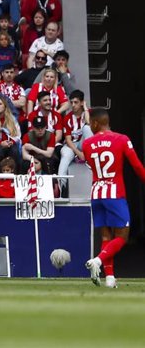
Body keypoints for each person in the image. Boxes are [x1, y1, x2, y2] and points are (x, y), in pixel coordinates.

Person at [84, 109, 145, 288]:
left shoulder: (88, 143)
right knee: (122, 237)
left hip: (96, 193)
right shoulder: (122, 139)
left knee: (105, 236)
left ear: (95, 123)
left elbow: (91, 165)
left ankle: (110, 279)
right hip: (115, 193)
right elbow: (137, 166)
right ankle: (98, 260)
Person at [58, 90, 92, 190]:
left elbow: (89, 123)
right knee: (65, 158)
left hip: (83, 144)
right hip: (71, 145)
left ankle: (90, 157)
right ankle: (61, 189)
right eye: (71, 102)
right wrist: (79, 153)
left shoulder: (88, 113)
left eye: (76, 102)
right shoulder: (67, 118)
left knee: (87, 128)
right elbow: (68, 140)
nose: (73, 105)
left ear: (82, 102)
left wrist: (85, 108)